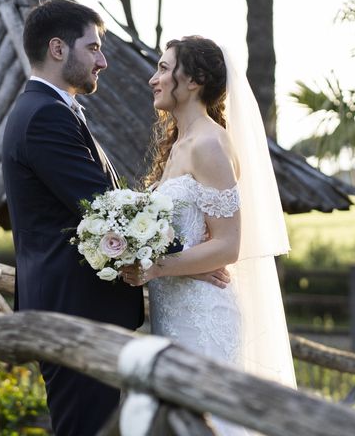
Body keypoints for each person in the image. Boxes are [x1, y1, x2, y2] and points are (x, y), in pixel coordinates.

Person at [2, 1, 228, 435]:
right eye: (94, 48)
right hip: (73, 314)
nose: (103, 61)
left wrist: (183, 261)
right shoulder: (44, 115)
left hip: (78, 311)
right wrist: (191, 260)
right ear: (57, 49)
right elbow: (104, 210)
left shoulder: (51, 109)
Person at [122, 36, 297, 435]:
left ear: (195, 79)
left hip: (203, 316)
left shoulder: (210, 144)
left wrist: (153, 267)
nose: (154, 79)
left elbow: (228, 245)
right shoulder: (180, 143)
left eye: (164, 69)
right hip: (174, 311)